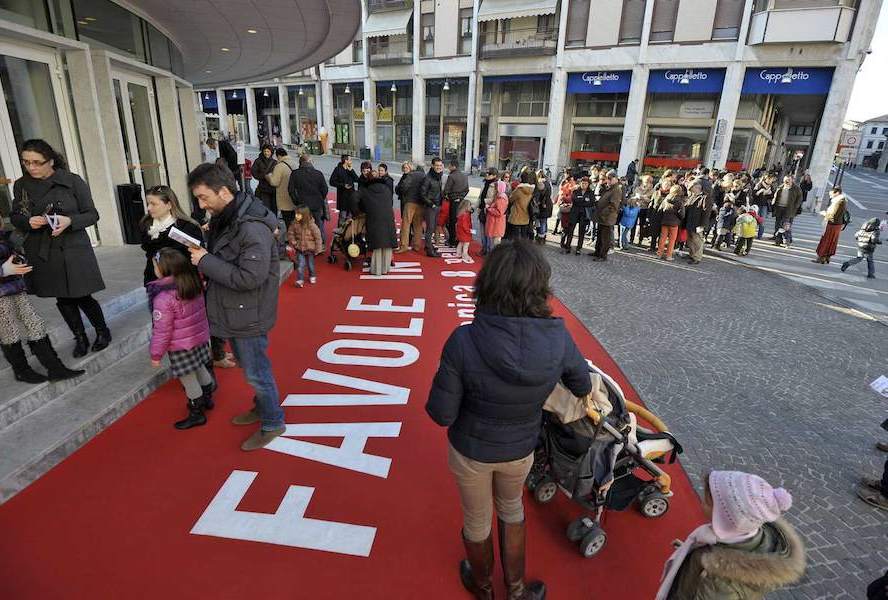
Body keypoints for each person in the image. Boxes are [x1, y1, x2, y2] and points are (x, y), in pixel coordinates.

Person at [426, 240, 592, 600]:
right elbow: (581, 384)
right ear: (540, 288)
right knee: (512, 507)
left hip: (471, 448)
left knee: (476, 519)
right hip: (520, 447)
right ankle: (515, 589)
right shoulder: (558, 337)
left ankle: (483, 586)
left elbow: (441, 413)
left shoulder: (463, 340)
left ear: (487, 284)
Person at [186, 163, 286, 451]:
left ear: (225, 191)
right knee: (250, 366)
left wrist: (204, 261)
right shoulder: (230, 216)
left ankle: (272, 422)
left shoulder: (250, 227)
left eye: (204, 197)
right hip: (237, 309)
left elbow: (249, 277)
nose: (201, 204)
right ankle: (262, 408)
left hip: (248, 312)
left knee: (257, 371)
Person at [10, 139, 111, 359]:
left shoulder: (72, 181)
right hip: (42, 248)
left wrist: (69, 221)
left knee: (83, 294)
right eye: (26, 162)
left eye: (37, 162)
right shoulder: (21, 185)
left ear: (51, 161)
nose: (31, 168)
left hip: (73, 246)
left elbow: (92, 214)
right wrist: (28, 222)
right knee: (62, 298)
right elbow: (16, 215)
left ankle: (103, 331)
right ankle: (80, 337)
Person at [657, 470, 805, 600]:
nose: (702, 504)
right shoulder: (750, 533)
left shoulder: (719, 582)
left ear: (726, 518)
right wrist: (692, 550)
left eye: (708, 503)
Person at [0, 215, 84, 384]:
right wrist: (3, 270)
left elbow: (15, 253)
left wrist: (19, 261)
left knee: (35, 324)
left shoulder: (5, 235)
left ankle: (55, 368)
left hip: (16, 287)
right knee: (10, 331)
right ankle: (22, 371)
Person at [148, 248, 213, 430]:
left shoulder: (163, 297)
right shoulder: (193, 282)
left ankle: (197, 412)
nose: (154, 269)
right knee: (200, 367)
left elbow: (162, 331)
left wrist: (156, 354)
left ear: (164, 269)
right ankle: (208, 398)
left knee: (188, 378)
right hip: (198, 338)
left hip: (180, 345)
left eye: (155, 265)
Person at [139, 186, 204, 286]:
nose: (149, 208)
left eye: (153, 204)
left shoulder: (187, 227)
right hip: (153, 282)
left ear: (169, 205)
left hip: (183, 285)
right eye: (148, 204)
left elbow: (197, 258)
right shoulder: (146, 225)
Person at [359, 169, 398, 276]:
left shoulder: (366, 190)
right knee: (387, 245)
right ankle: (385, 269)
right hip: (388, 218)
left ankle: (377, 270)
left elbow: (358, 202)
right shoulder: (386, 189)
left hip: (374, 219)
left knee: (377, 245)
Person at [288, 154, 329, 249]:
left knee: (301, 225)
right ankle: (320, 244)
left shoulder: (295, 174)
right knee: (318, 224)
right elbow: (325, 189)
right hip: (316, 204)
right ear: (310, 162)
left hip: (302, 204)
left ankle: (303, 244)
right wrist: (320, 198)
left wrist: (296, 201)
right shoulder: (318, 173)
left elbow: (291, 190)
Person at [286, 206, 323, 287]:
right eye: (296, 214)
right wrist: (293, 241)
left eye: (298, 214)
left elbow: (318, 237)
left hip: (310, 249)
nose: (296, 216)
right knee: (300, 265)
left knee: (310, 264)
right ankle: (300, 279)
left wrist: (318, 249)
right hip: (299, 248)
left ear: (304, 215)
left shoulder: (312, 225)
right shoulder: (294, 224)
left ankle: (312, 275)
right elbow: (290, 233)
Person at [395, 162, 426, 254]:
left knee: (406, 224)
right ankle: (417, 245)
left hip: (410, 202)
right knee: (418, 225)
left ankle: (404, 246)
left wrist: (401, 192)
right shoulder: (424, 176)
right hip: (420, 203)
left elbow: (404, 187)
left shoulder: (411, 175)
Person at [813, 186, 848, 264]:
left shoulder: (839, 202)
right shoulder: (841, 201)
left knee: (827, 241)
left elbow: (833, 216)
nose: (830, 196)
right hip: (836, 225)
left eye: (831, 194)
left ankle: (821, 257)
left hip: (833, 224)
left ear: (837, 193)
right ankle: (827, 257)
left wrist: (825, 214)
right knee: (831, 241)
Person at [592, 170, 622, 261]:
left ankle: (603, 255)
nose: (608, 180)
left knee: (605, 238)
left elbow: (613, 206)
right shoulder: (609, 187)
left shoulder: (617, 189)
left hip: (607, 218)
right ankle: (597, 252)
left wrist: (603, 213)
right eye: (607, 178)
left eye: (610, 178)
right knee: (600, 235)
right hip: (602, 216)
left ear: (615, 179)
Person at [266, 147, 298, 229]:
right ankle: (297, 235)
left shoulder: (279, 166)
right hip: (295, 197)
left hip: (285, 199)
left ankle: (291, 237)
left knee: (288, 220)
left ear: (278, 156)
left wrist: (269, 176)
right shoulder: (295, 163)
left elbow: (274, 182)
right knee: (296, 219)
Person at [563, 177, 594, 255]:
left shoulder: (590, 192)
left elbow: (591, 202)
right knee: (570, 231)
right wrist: (584, 200)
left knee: (581, 232)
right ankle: (567, 246)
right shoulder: (576, 191)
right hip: (575, 213)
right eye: (582, 183)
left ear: (588, 184)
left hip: (584, 214)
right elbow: (574, 200)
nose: (584, 185)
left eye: (585, 183)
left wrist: (581, 200)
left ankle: (578, 248)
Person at [420, 157, 445, 257]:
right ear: (432, 166)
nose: (439, 167)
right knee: (430, 229)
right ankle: (429, 250)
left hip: (437, 205)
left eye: (440, 165)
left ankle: (428, 245)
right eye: (437, 165)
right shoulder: (428, 178)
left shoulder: (438, 176)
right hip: (430, 206)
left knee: (433, 227)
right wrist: (431, 204)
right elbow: (422, 194)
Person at [682, 179, 711, 265]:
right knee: (690, 240)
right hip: (690, 222)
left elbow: (706, 212)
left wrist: (702, 225)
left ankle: (697, 257)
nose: (690, 190)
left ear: (697, 187)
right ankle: (692, 254)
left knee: (697, 240)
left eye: (691, 188)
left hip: (698, 223)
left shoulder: (705, 197)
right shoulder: (693, 196)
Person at [443, 160, 470, 247]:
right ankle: (459, 240)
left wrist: (446, 196)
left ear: (454, 166)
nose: (448, 168)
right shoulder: (464, 176)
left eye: (449, 166)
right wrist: (461, 197)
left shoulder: (452, 176)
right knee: (459, 221)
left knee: (452, 221)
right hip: (461, 201)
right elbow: (467, 189)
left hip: (453, 200)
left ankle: (452, 241)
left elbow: (446, 190)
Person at [656, 185, 685, 261]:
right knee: (672, 240)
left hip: (665, 222)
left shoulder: (666, 199)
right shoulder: (680, 201)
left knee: (662, 238)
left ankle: (659, 253)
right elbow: (682, 214)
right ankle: (669, 255)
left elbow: (660, 210)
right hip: (674, 223)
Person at [329, 154, 359, 225]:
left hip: (351, 196)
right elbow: (332, 182)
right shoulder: (337, 169)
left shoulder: (350, 169)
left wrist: (351, 170)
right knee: (343, 216)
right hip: (343, 197)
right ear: (346, 161)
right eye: (350, 160)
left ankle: (348, 234)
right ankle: (340, 233)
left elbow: (357, 179)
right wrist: (343, 185)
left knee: (350, 217)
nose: (351, 161)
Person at [477, 168, 499, 255]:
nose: (487, 175)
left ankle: (489, 250)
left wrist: (486, 202)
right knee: (482, 231)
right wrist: (475, 207)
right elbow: (480, 197)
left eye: (489, 174)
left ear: (494, 176)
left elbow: (495, 199)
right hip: (482, 210)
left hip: (489, 211)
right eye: (486, 173)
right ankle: (484, 248)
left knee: (489, 232)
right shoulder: (486, 184)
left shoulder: (496, 185)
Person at [251, 144, 277, 213]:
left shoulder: (274, 162)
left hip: (273, 189)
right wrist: (263, 176)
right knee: (265, 207)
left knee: (274, 208)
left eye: (268, 151)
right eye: (265, 151)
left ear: (271, 152)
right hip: (263, 189)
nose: (266, 153)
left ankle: (274, 221)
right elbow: (254, 172)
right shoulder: (258, 161)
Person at [631, 175, 654, 245]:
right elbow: (633, 196)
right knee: (633, 224)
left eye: (648, 182)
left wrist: (644, 198)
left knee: (642, 225)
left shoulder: (652, 191)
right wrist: (636, 198)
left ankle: (640, 240)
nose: (646, 183)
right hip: (636, 207)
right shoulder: (637, 188)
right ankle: (631, 239)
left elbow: (652, 201)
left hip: (645, 209)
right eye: (645, 182)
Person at [532, 170, 553, 245]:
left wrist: (536, 203)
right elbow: (550, 194)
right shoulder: (548, 183)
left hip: (541, 206)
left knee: (540, 222)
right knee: (544, 221)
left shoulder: (540, 184)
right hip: (548, 205)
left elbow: (537, 196)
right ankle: (543, 236)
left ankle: (540, 237)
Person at [485, 181, 508, 249]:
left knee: (496, 243)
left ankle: (495, 258)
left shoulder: (501, 198)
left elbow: (499, 212)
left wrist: (489, 208)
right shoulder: (499, 197)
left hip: (497, 223)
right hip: (496, 223)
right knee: (495, 242)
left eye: (495, 187)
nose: (494, 189)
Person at [455, 198, 473, 262]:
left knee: (461, 243)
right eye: (470, 206)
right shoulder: (465, 215)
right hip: (465, 232)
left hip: (461, 232)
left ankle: (458, 253)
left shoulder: (461, 214)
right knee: (466, 244)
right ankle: (464, 254)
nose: (471, 207)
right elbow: (465, 225)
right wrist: (469, 231)